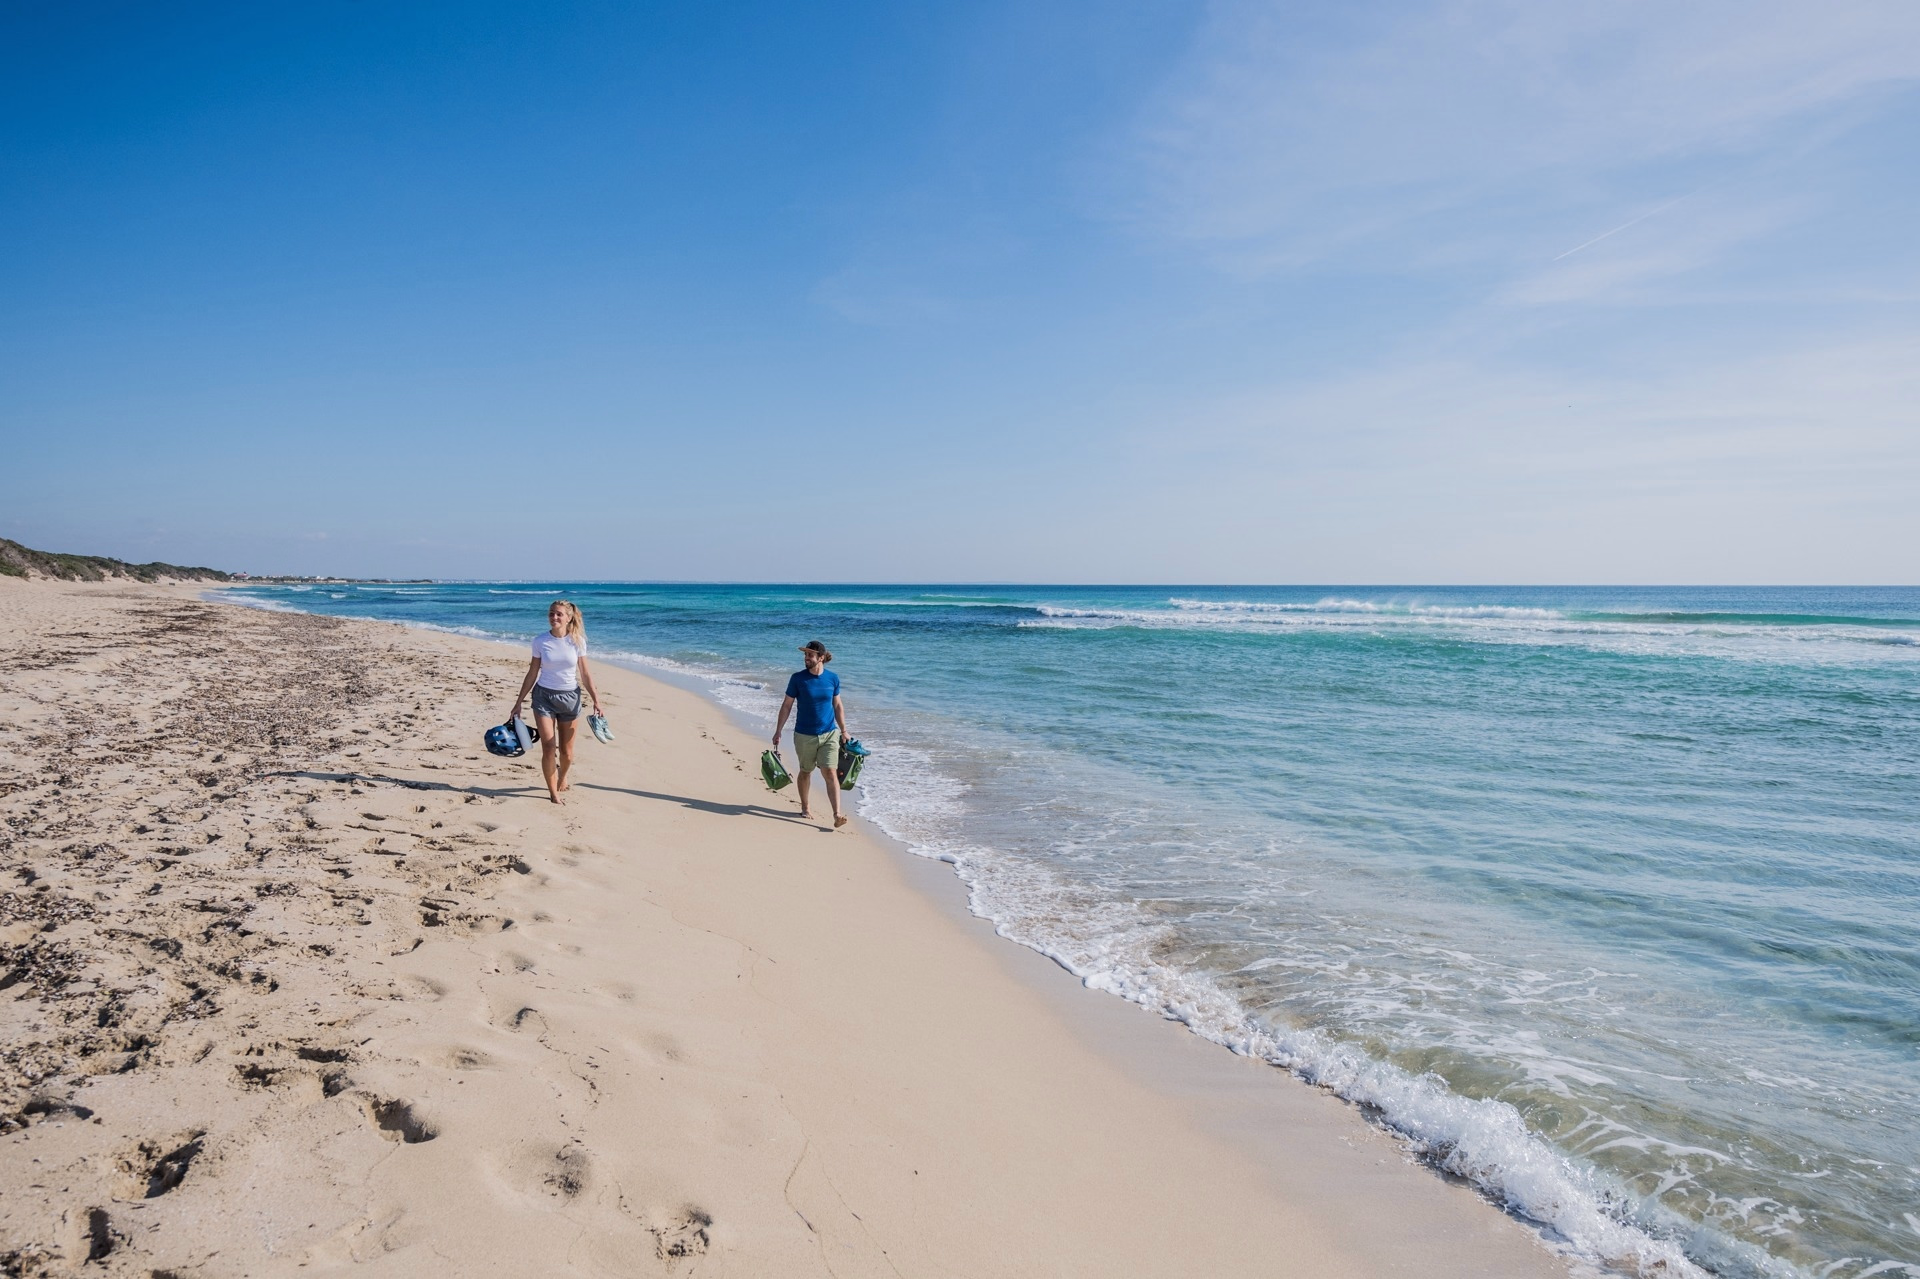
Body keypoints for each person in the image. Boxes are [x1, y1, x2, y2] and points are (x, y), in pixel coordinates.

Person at [510, 600, 604, 804]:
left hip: (570, 698)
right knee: (548, 747)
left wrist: (596, 700)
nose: (554, 617)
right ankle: (553, 793)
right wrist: (519, 702)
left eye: (559, 614)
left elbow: (585, 674)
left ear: (569, 617)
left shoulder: (577, 641)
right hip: (543, 697)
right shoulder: (540, 641)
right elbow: (532, 672)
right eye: (551, 613)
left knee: (567, 753)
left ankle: (562, 776)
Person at [773, 639, 850, 828]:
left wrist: (844, 730)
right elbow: (787, 705)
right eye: (805, 655)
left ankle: (837, 814)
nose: (806, 658)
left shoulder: (833, 678)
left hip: (829, 733)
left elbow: (838, 705)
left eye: (810, 655)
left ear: (821, 658)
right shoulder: (798, 679)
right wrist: (778, 730)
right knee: (806, 771)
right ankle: (805, 807)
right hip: (804, 735)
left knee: (830, 771)